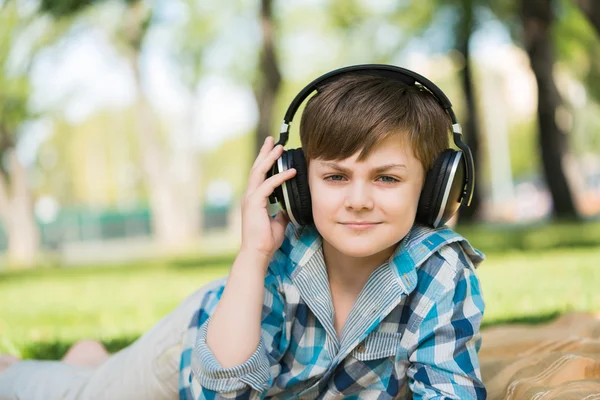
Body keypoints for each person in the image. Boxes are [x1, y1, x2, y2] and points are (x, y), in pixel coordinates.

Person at [0, 65, 486, 399]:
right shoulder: (279, 257)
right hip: (198, 350)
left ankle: (90, 359)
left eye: (387, 178)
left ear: (434, 191)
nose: (358, 199)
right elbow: (222, 393)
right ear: (298, 182)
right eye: (335, 177)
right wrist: (253, 255)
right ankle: (21, 371)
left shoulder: (442, 271)